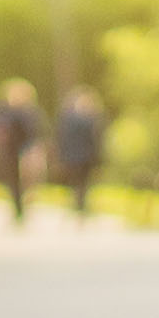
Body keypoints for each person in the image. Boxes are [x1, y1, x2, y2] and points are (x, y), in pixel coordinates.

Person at [0, 79, 48, 225]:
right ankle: (18, 210)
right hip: (8, 151)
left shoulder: (30, 112)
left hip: (26, 150)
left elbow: (37, 132)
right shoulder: (2, 110)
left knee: (28, 181)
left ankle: (25, 204)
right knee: (12, 181)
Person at [55, 84, 112, 221]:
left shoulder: (93, 118)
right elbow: (62, 137)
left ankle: (81, 206)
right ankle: (78, 206)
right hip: (73, 155)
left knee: (84, 182)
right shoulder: (69, 118)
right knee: (76, 181)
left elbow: (98, 139)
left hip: (87, 155)